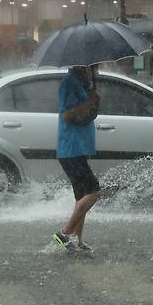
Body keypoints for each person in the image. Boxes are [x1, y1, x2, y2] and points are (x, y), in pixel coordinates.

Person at [53, 65, 103, 252]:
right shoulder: (69, 83)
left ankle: (78, 242)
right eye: (95, 64)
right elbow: (66, 114)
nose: (98, 67)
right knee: (95, 192)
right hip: (71, 149)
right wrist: (90, 101)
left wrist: (94, 99)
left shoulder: (83, 82)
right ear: (83, 63)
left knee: (81, 197)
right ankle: (64, 233)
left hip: (78, 148)